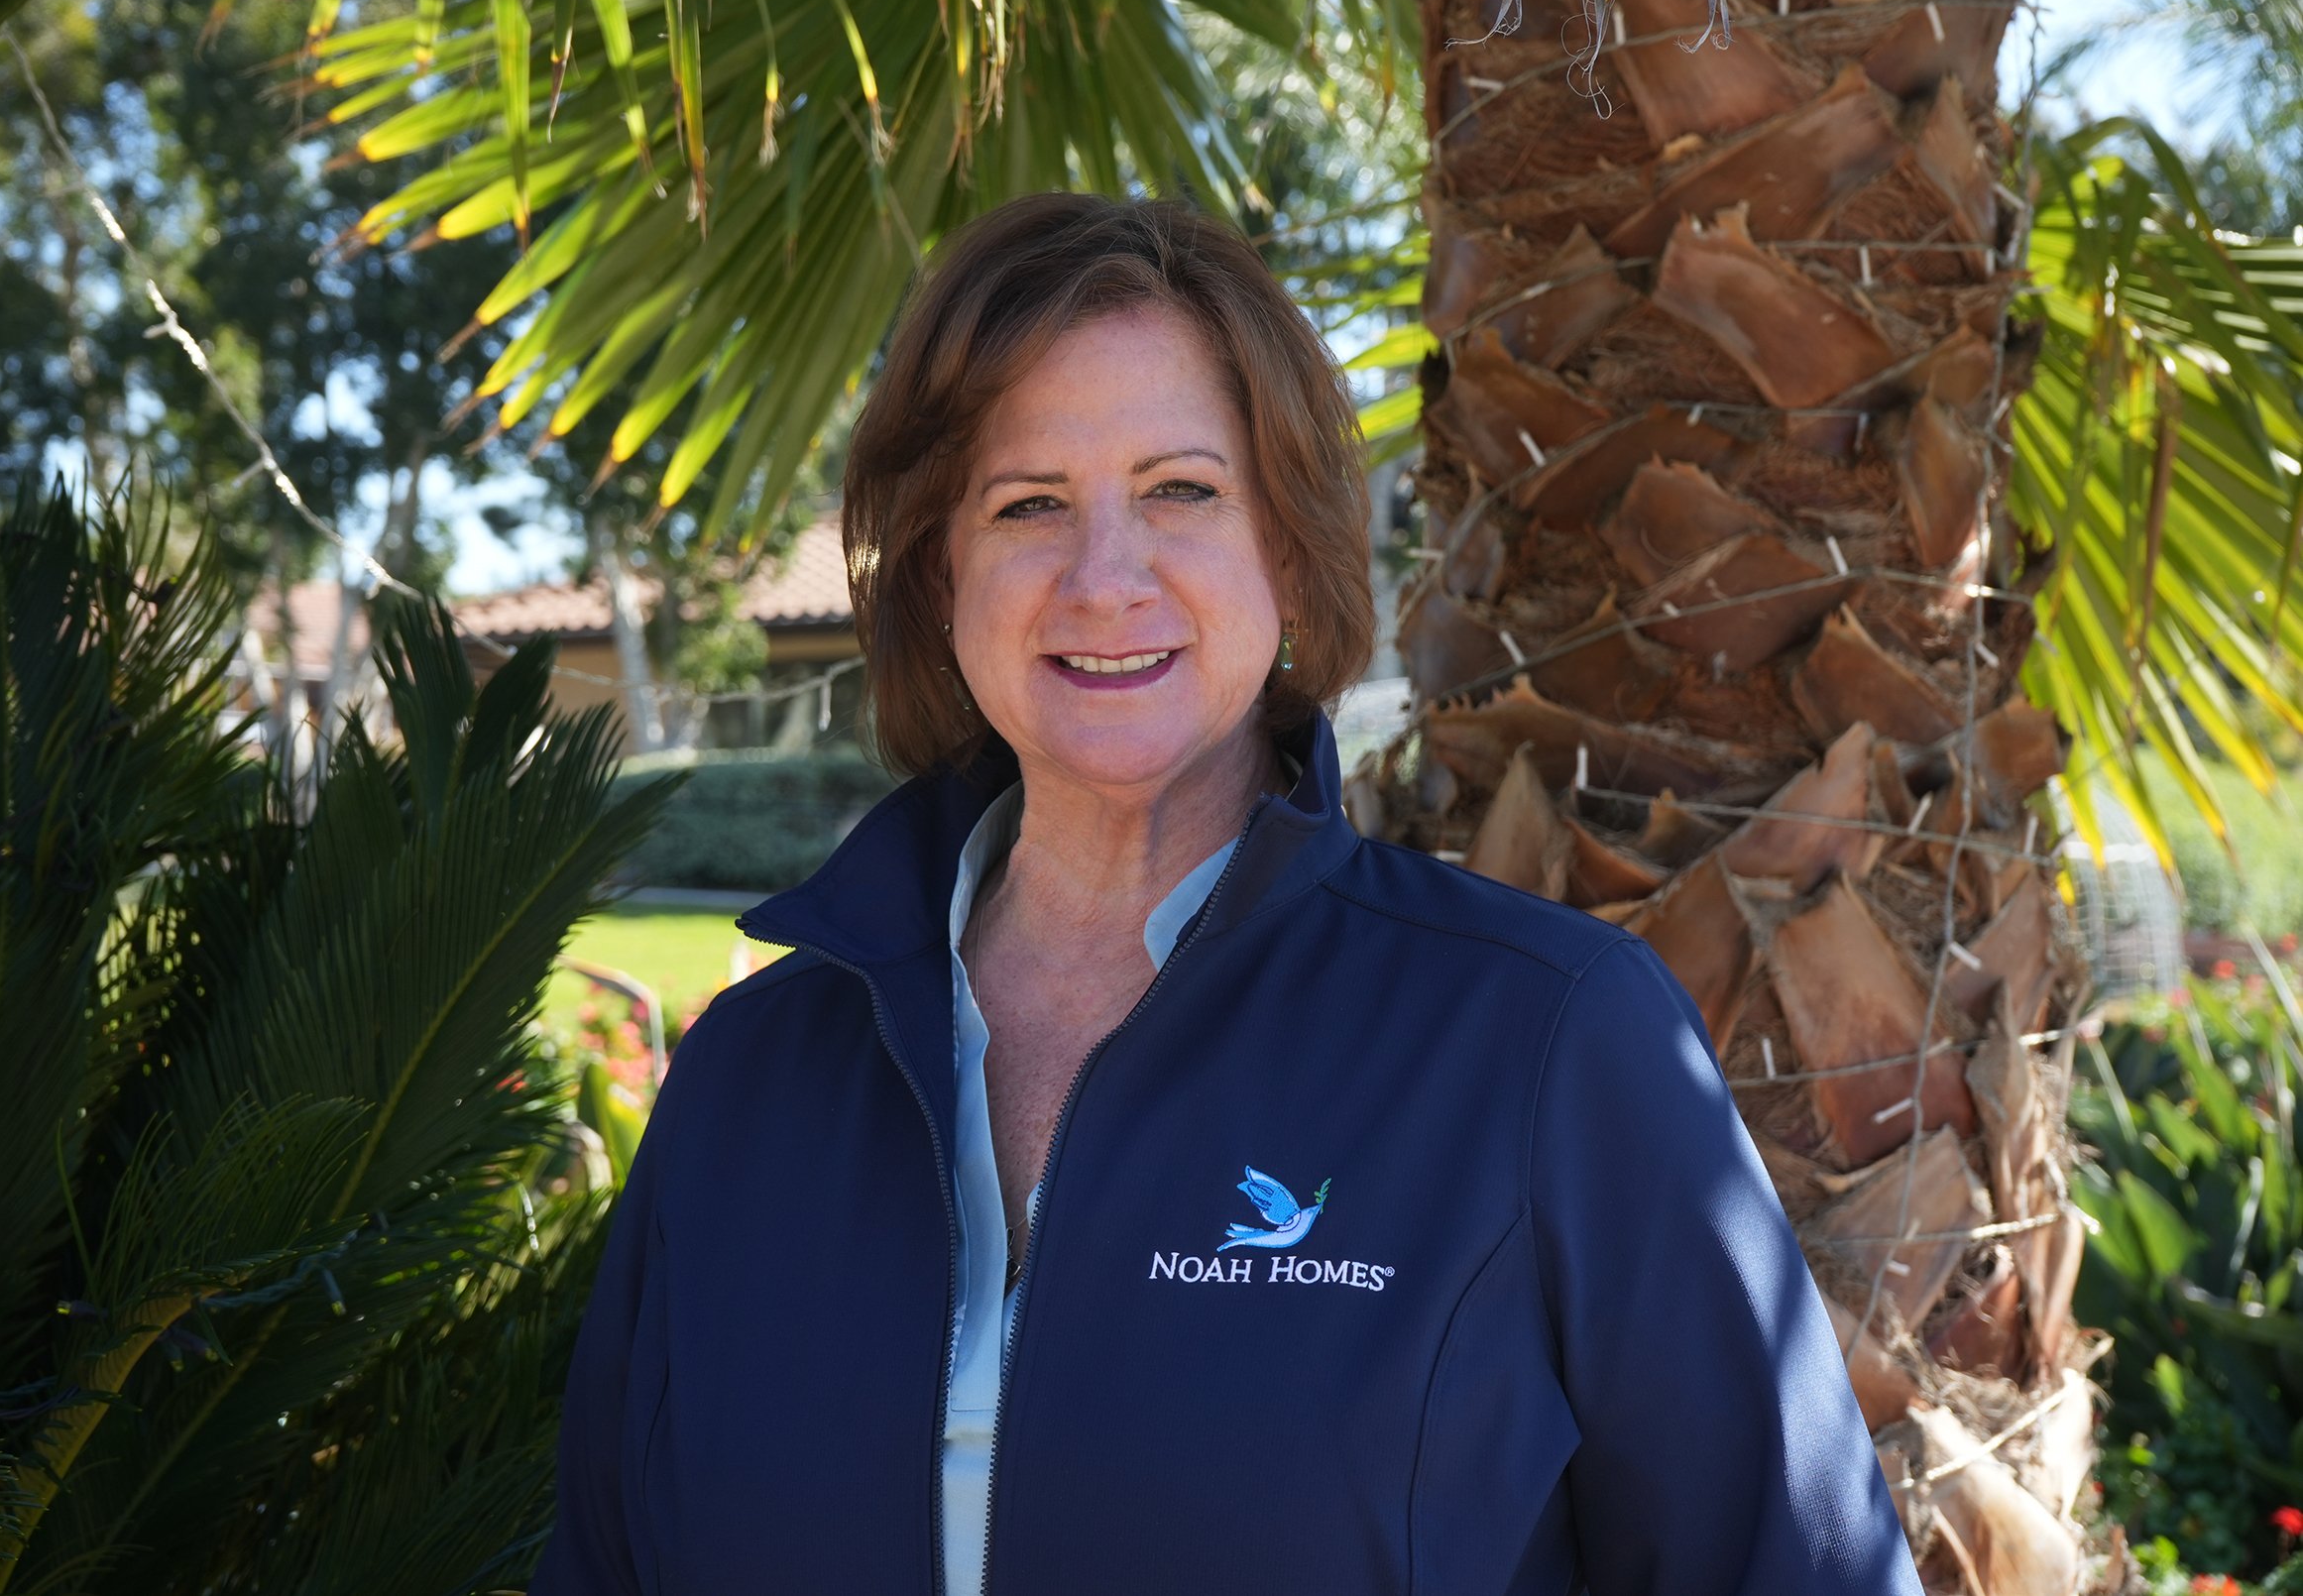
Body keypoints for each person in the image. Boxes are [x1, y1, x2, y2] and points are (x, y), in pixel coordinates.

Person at [529, 192, 1922, 1596]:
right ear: (942, 572)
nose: (1105, 577)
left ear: (1294, 554)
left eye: (1181, 490)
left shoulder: (1542, 1043)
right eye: (1029, 505)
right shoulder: (750, 1083)